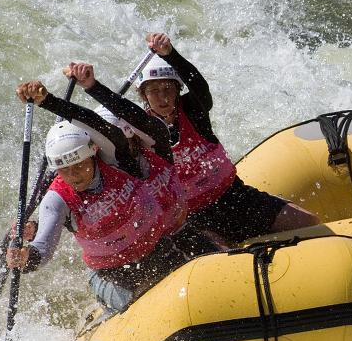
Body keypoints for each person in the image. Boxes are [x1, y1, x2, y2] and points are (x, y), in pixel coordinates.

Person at [72, 33, 320, 244]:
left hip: (235, 196)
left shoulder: (193, 112)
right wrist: (91, 86)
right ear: (144, 96)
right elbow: (120, 110)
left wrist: (170, 54)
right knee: (226, 261)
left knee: (310, 224)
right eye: (154, 91)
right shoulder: (142, 129)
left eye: (168, 88)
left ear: (177, 91)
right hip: (191, 218)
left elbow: (200, 87)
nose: (163, 97)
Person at [6, 83, 202, 312]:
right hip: (111, 274)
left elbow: (99, 126)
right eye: (64, 169)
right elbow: (43, 247)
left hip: (157, 249)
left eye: (78, 165)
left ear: (92, 153)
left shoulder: (116, 160)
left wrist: (48, 101)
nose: (73, 175)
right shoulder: (56, 200)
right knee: (147, 301)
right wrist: (26, 258)